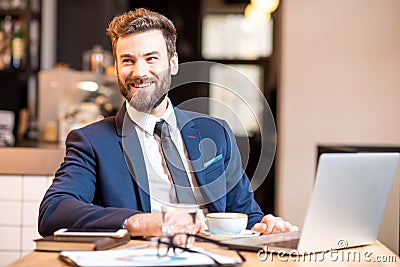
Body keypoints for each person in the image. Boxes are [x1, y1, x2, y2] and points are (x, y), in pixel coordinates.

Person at [38, 8, 297, 237]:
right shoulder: (92, 141)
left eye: (151, 59)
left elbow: (244, 215)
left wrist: (265, 225)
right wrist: (137, 222)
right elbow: (53, 210)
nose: (139, 72)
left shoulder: (216, 132)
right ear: (116, 68)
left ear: (173, 64)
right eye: (127, 61)